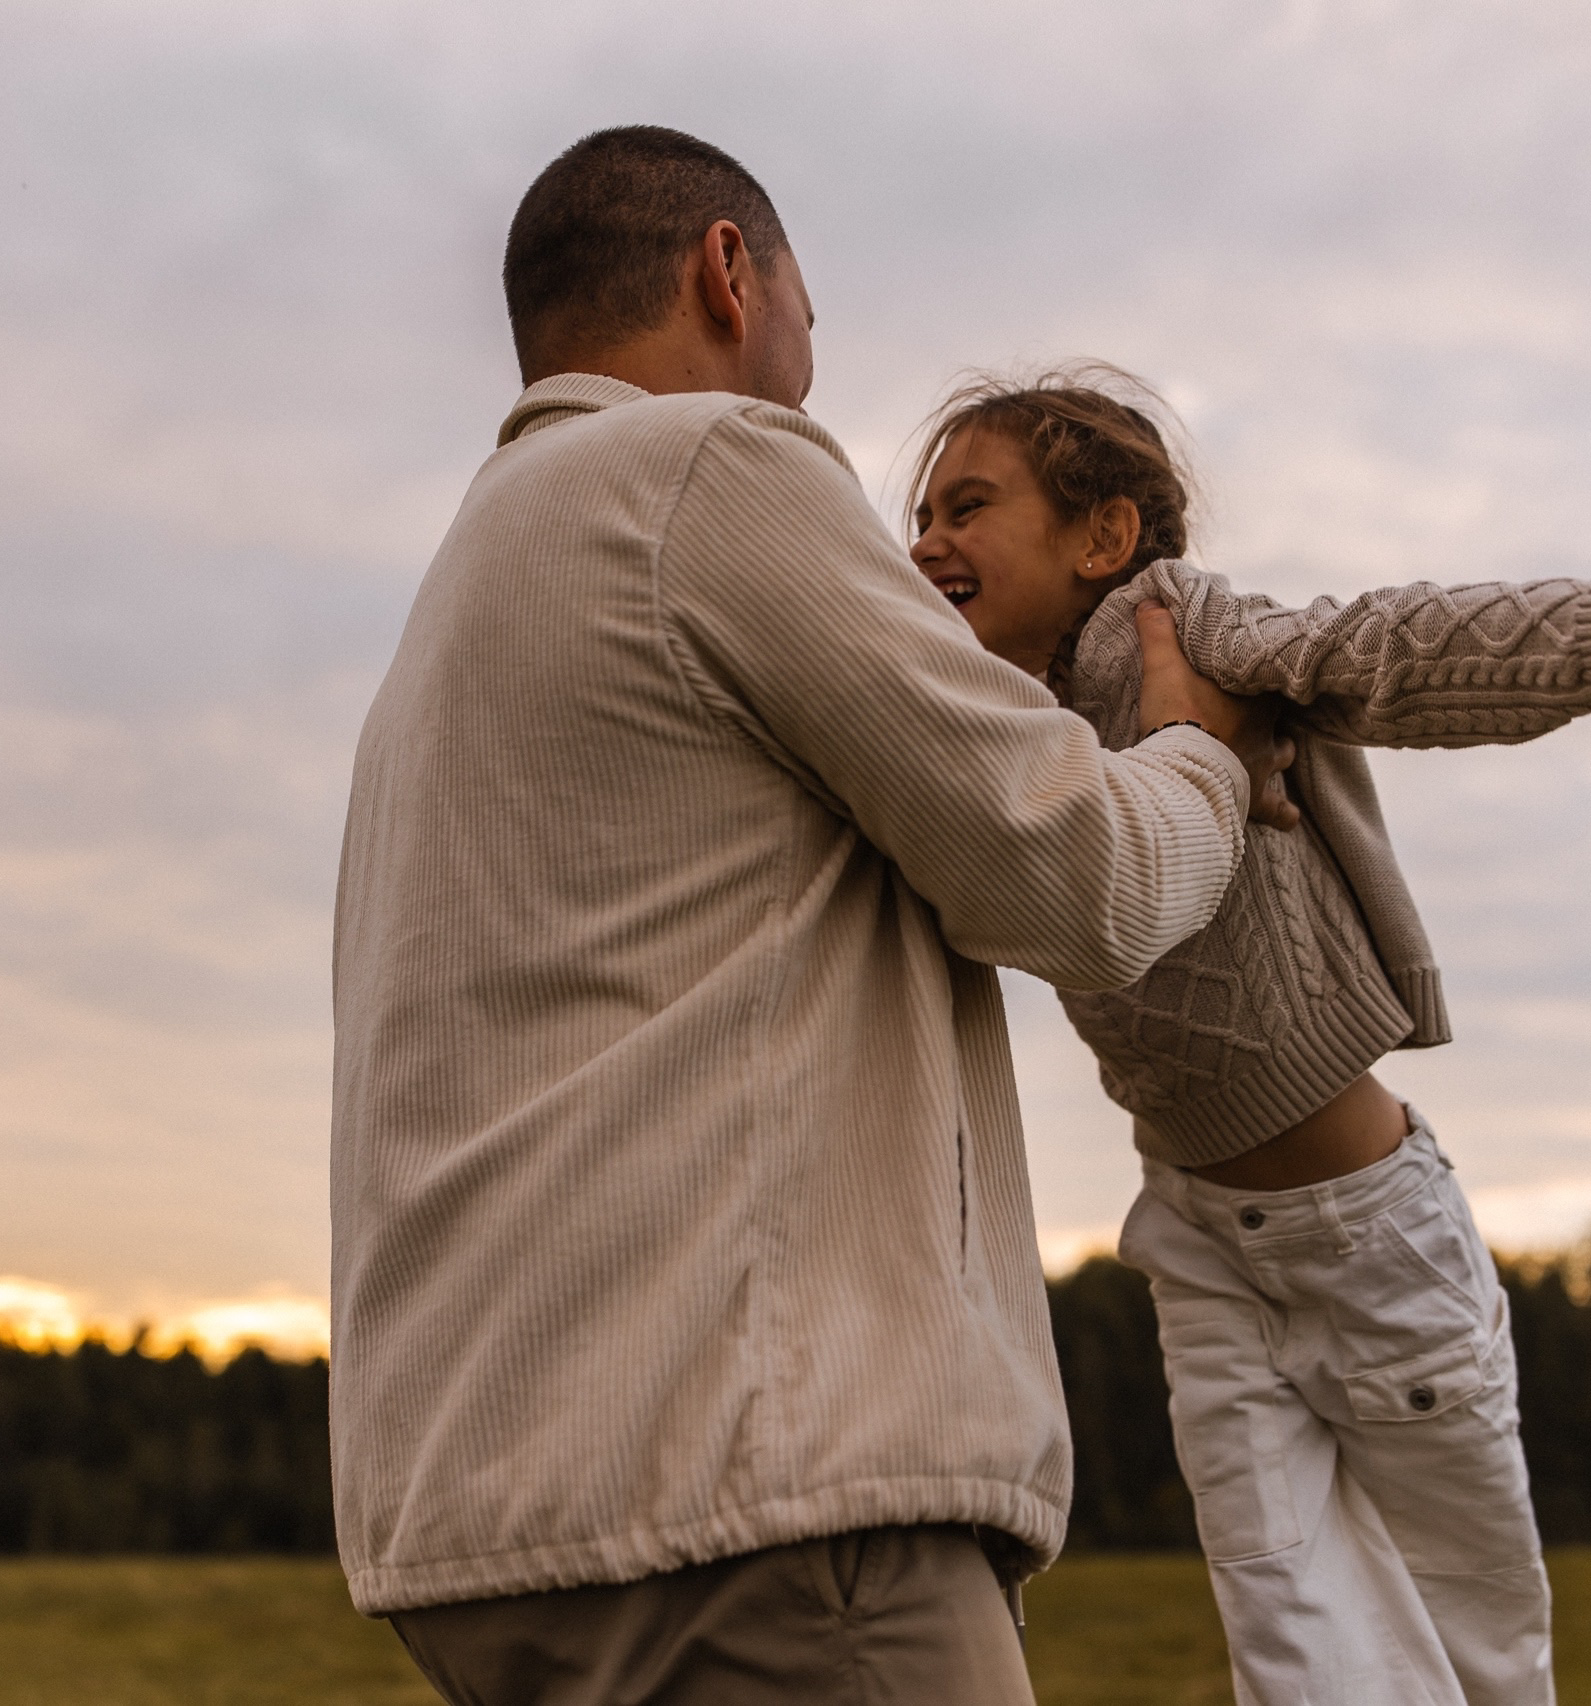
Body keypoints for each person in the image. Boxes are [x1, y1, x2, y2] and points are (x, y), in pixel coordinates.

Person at [330, 132, 1296, 1703]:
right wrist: (1202, 750)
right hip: (754, 1502)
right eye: (808, 313)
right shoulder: (708, 468)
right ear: (729, 273)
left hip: (476, 1530)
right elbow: (1082, 875)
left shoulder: (460, 599)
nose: (807, 362)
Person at [905, 364, 1591, 1706]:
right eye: (921, 516)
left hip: (1374, 1244)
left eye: (968, 506)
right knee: (1296, 1655)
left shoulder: (1183, 629)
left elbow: (1400, 647)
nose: (928, 541)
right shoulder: (995, 729)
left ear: (1104, 535)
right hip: (1199, 1249)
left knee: (1485, 1659)